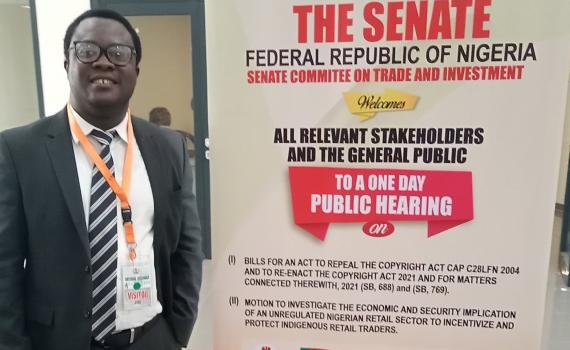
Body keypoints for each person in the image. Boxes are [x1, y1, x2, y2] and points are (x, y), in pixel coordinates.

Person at [0, 9, 203, 350]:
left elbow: (187, 246)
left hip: (149, 337)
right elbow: (4, 265)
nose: (105, 62)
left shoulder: (168, 147)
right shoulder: (19, 150)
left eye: (119, 53)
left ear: (135, 70)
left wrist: (176, 332)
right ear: (67, 63)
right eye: (88, 50)